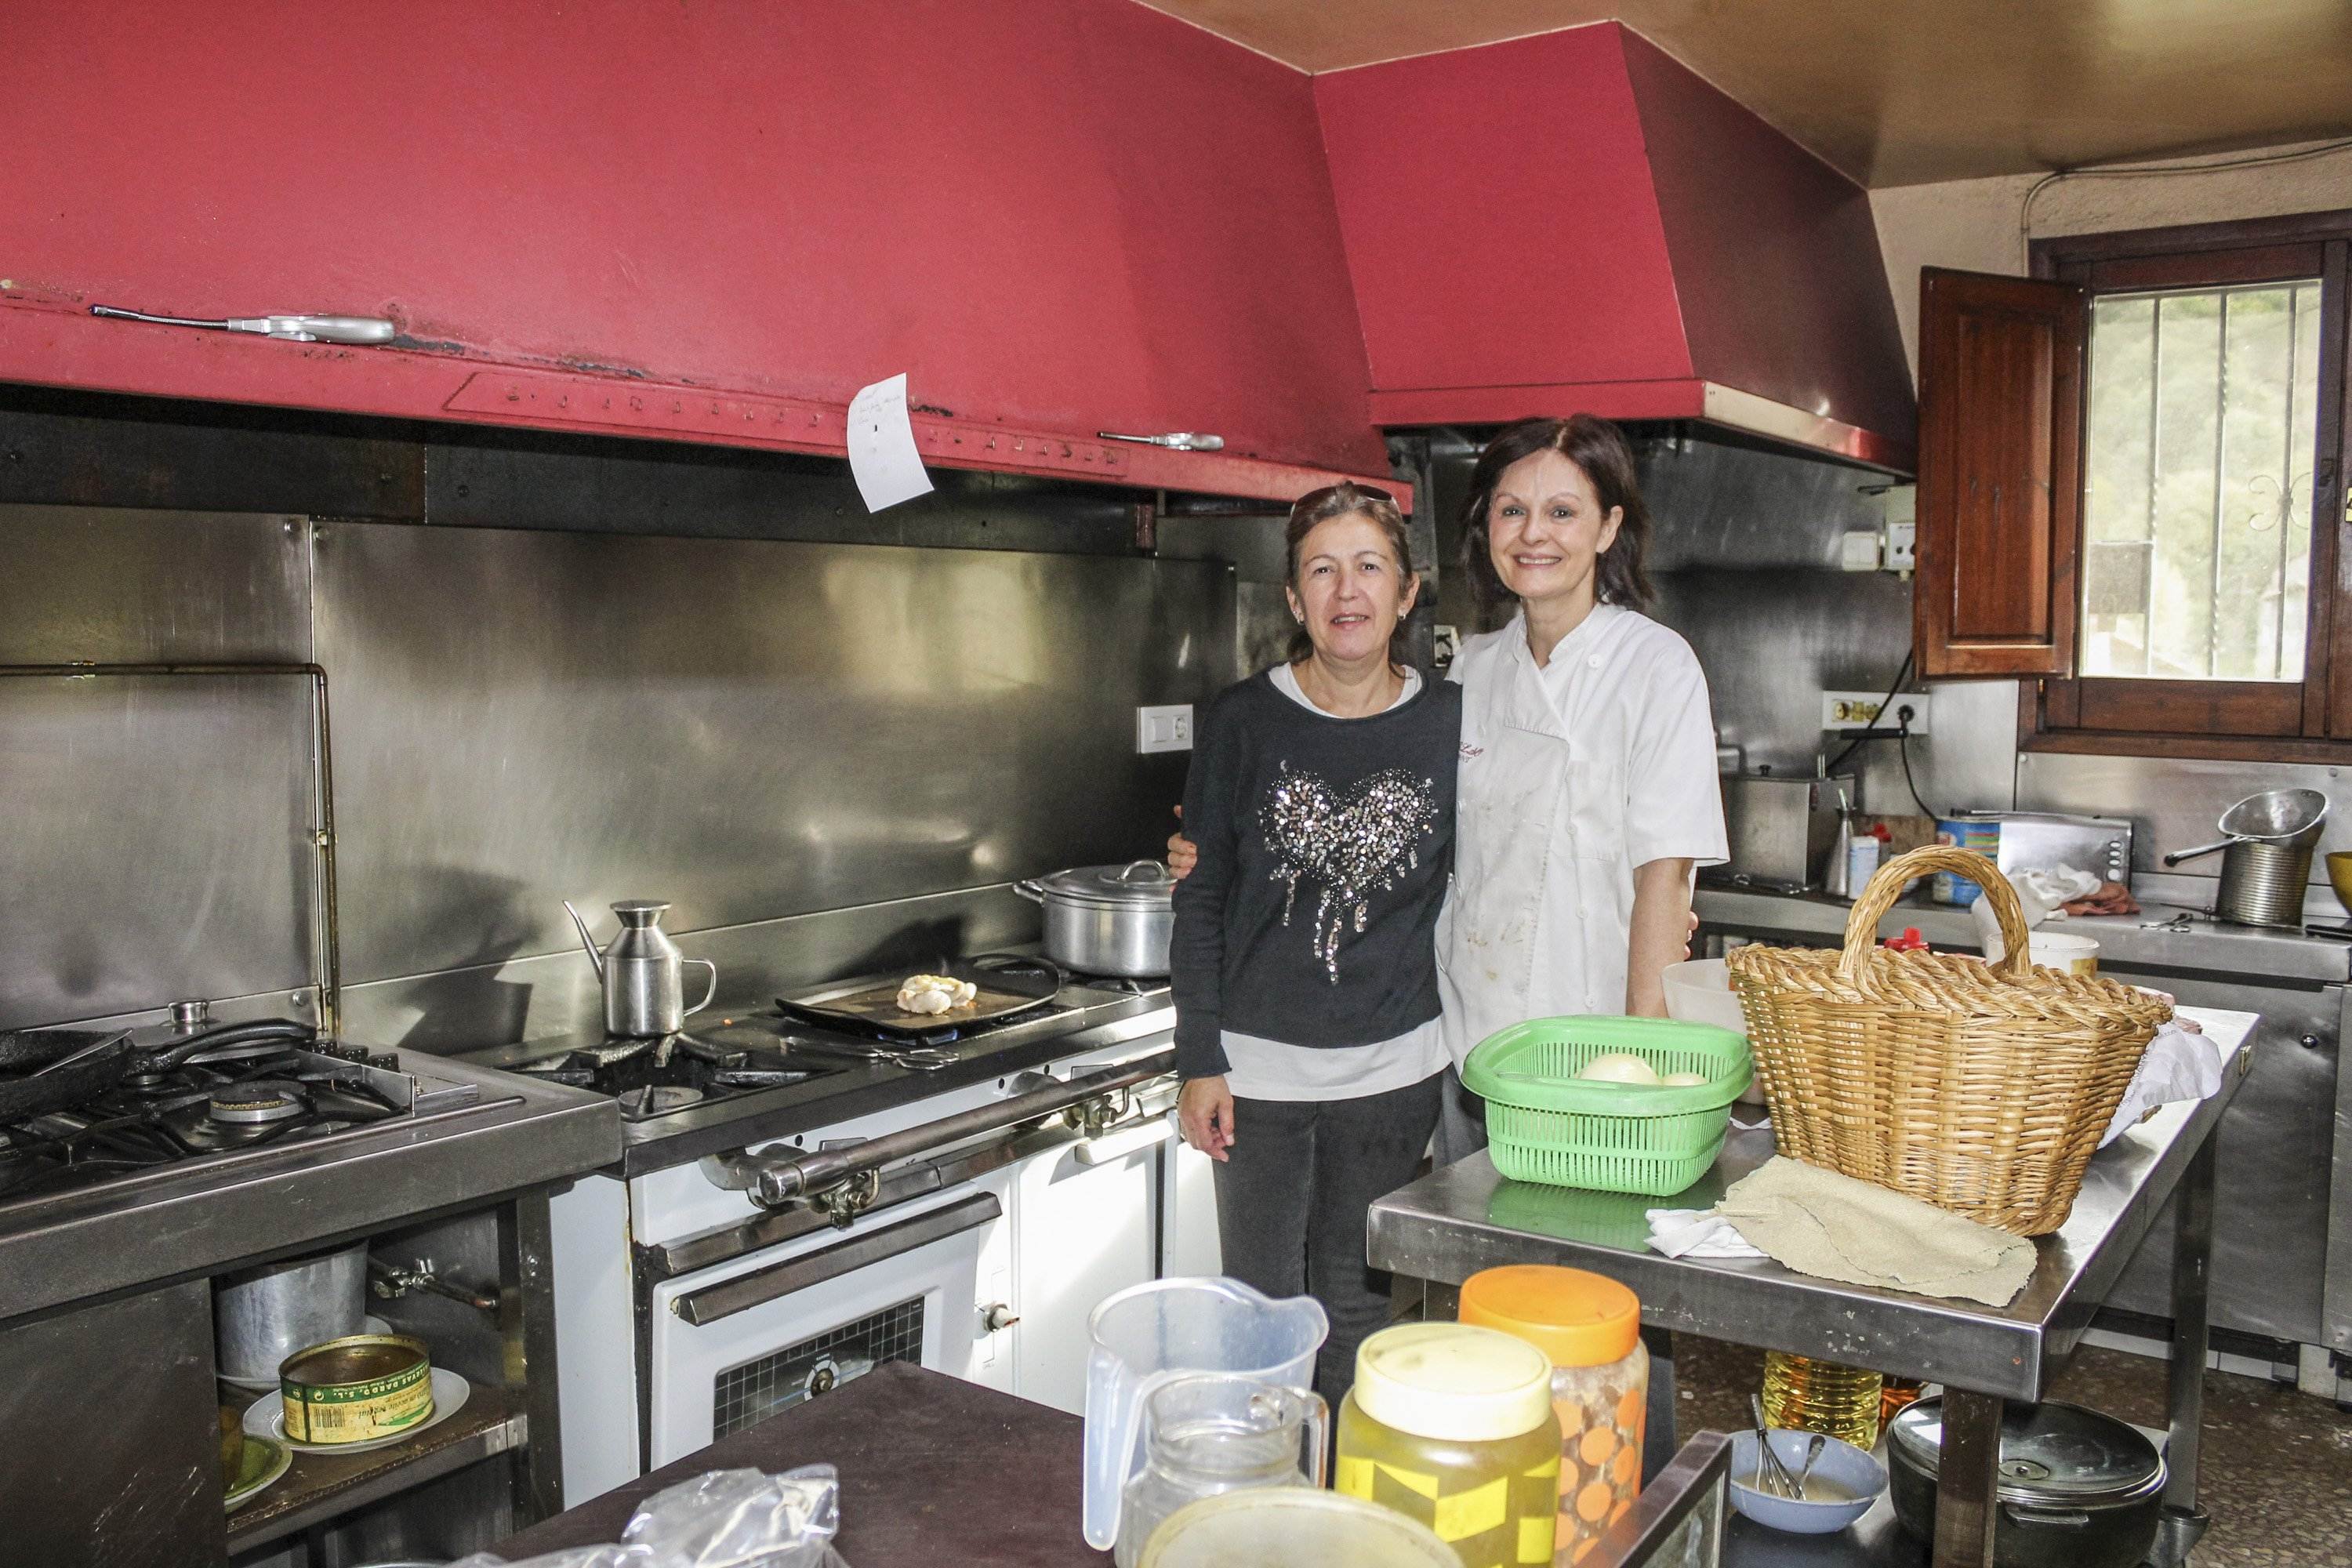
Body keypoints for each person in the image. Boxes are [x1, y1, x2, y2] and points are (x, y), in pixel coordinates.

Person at [1171, 415, 1726, 1166]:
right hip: (1467, 1047)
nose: (1535, 534)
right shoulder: (1473, 670)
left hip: (1594, 1045)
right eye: (1512, 511)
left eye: (1563, 512)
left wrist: (1643, 1057)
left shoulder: (1657, 669)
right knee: (1470, 1267)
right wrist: (1222, 844)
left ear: (1608, 528)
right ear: (1487, 529)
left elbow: (1667, 876)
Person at [1170, 480, 1461, 1406]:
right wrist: (1197, 1056)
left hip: (1396, 1071)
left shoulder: (1455, 722)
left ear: (1407, 592)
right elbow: (1202, 891)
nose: (1348, 591)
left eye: (1370, 566)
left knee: (1357, 1312)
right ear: (1294, 600)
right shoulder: (1241, 719)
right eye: (1322, 570)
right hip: (1254, 1074)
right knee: (1258, 1317)